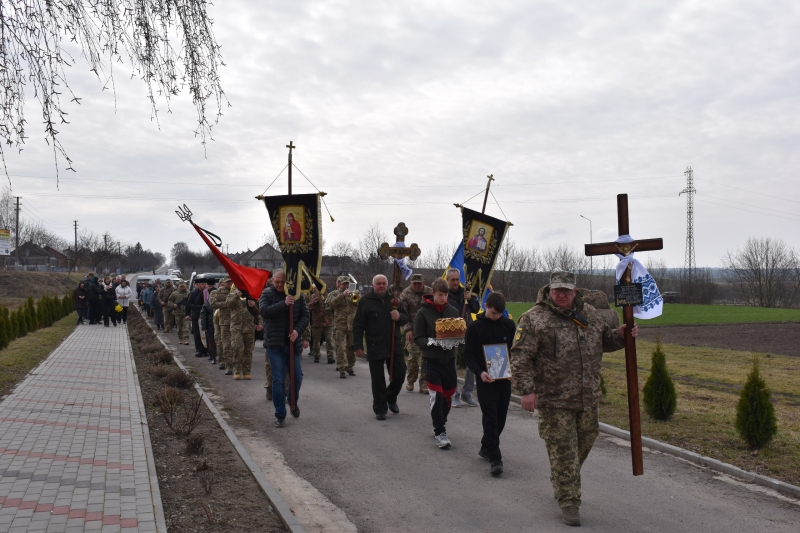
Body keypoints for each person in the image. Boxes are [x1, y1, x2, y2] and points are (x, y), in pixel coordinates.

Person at [510, 271, 637, 527]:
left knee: (585, 442)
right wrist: (526, 390)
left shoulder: (590, 314)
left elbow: (605, 341)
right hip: (554, 400)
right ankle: (569, 502)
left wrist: (621, 335)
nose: (561, 294)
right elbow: (520, 357)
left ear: (575, 291)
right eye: (557, 290)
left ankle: (562, 478)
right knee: (564, 451)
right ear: (549, 290)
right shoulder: (534, 318)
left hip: (587, 397)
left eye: (566, 290)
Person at [464, 291, 516, 475]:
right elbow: (468, 356)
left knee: (500, 418)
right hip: (485, 380)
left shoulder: (508, 325)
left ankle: (486, 446)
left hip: (504, 380)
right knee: (490, 418)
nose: (496, 317)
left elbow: (514, 351)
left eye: (499, 314)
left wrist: (512, 370)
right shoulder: (475, 328)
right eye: (494, 313)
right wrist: (480, 372)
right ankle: (495, 458)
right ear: (486, 306)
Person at [352, 274, 409, 421]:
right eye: (379, 283)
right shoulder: (365, 301)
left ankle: (390, 397)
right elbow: (358, 325)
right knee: (377, 379)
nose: (382, 286)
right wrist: (357, 345)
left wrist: (399, 317)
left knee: (401, 372)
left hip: (394, 343)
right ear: (373, 285)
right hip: (375, 344)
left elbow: (405, 317)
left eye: (384, 283)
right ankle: (380, 408)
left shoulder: (394, 300)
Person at [259, 270, 310, 427]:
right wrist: (283, 304)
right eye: (277, 282)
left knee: (297, 377)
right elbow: (264, 312)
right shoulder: (267, 294)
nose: (280, 285)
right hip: (275, 345)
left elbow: (305, 316)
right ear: (273, 281)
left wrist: (297, 331)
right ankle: (280, 414)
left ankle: (292, 400)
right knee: (279, 379)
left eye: (283, 282)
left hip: (292, 344)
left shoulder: (298, 295)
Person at [413, 278, 459, 448]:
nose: (443, 298)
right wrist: (433, 342)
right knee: (437, 396)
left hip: (449, 360)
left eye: (446, 295)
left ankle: (441, 420)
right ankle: (440, 431)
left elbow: (459, 333)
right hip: (431, 360)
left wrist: (458, 341)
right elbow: (418, 338)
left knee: (449, 396)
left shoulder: (453, 311)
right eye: (440, 295)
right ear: (433, 293)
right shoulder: (423, 313)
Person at [446, 268, 480, 407]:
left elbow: (477, 309)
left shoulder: (466, 292)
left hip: (467, 331)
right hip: (451, 332)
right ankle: (454, 394)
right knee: (451, 364)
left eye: (457, 279)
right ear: (447, 280)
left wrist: (470, 299)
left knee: (471, 363)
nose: (455, 282)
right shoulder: (444, 294)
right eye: (452, 280)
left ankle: (467, 393)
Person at [399, 273, 432, 394]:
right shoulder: (406, 294)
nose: (417, 286)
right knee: (413, 357)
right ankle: (411, 380)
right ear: (411, 283)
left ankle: (424, 383)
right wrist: (407, 330)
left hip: (427, 330)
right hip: (412, 330)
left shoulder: (430, 292)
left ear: (424, 282)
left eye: (419, 283)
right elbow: (403, 313)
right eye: (415, 283)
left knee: (426, 358)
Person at [325, 276, 359, 378]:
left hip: (351, 325)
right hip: (339, 325)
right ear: (339, 283)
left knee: (351, 348)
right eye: (344, 284)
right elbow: (330, 305)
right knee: (340, 348)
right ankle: (342, 368)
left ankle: (350, 366)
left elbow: (358, 304)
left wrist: (355, 295)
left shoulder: (353, 293)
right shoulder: (334, 294)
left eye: (347, 284)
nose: (346, 286)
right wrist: (342, 296)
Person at [226, 286, 263, 380]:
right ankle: (237, 371)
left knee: (248, 350)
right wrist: (236, 295)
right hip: (236, 327)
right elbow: (228, 305)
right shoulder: (231, 295)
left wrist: (260, 323)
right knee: (237, 348)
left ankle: (246, 371)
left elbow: (258, 312)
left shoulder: (252, 297)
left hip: (249, 328)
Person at [210, 278, 233, 374]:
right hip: (224, 321)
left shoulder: (237, 290)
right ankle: (227, 365)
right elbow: (213, 304)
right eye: (228, 282)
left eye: (231, 281)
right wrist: (227, 304)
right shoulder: (220, 291)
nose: (230, 283)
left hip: (237, 321)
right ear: (224, 283)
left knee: (236, 345)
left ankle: (236, 364)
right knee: (225, 344)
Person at [307, 285, 334, 364]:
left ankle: (330, 356)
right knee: (316, 341)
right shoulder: (313, 296)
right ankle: (316, 355)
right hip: (317, 323)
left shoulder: (328, 296)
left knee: (329, 339)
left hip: (328, 322)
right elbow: (307, 307)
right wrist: (313, 302)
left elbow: (332, 306)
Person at [186, 278, 209, 358]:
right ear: (199, 285)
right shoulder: (193, 293)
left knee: (207, 333)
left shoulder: (208, 292)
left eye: (205, 284)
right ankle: (199, 350)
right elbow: (189, 304)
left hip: (206, 316)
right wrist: (200, 307)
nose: (204, 285)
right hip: (196, 316)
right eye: (203, 284)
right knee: (197, 334)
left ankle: (207, 350)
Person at [201, 279, 218, 364]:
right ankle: (213, 357)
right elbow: (203, 315)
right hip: (210, 324)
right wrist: (204, 326)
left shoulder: (221, 303)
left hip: (220, 324)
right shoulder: (207, 304)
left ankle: (219, 357)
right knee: (211, 341)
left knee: (220, 342)